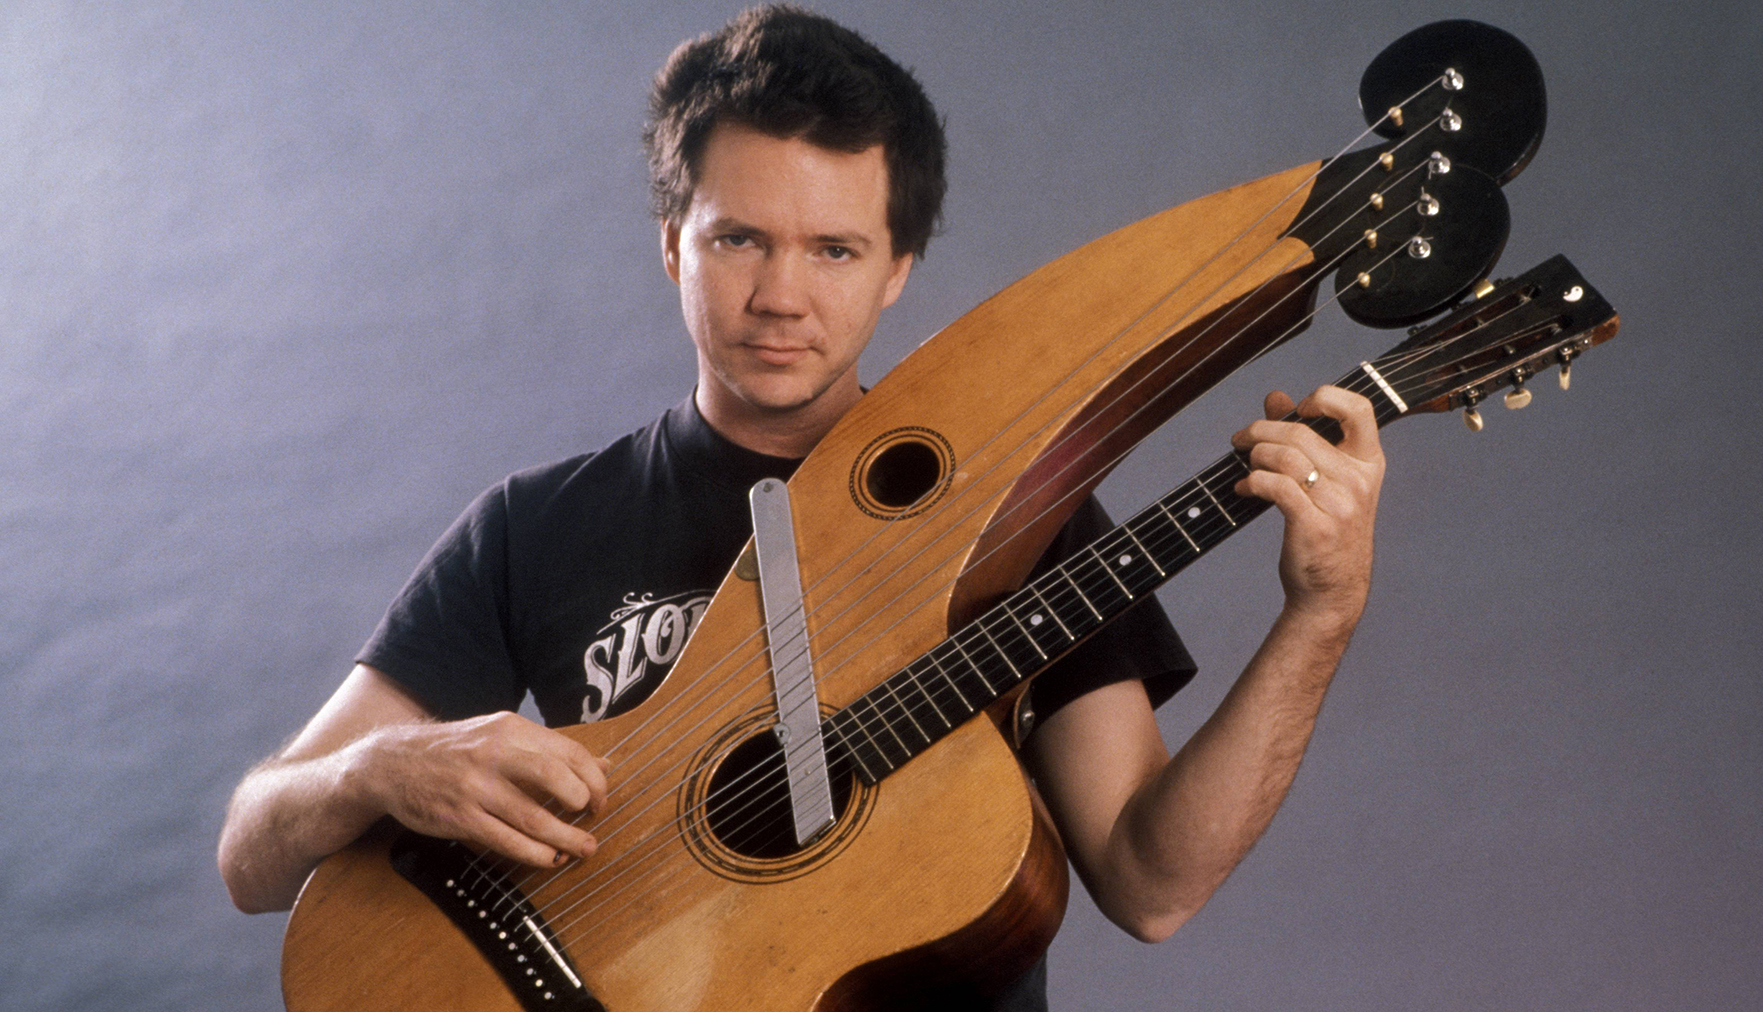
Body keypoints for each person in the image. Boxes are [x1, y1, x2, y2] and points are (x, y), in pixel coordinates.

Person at [217, 6, 1385, 1009]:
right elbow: (253, 853)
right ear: (673, 245)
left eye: (833, 249)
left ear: (897, 270)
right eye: (739, 239)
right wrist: (379, 772)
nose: (781, 296)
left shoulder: (1016, 515)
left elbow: (1150, 881)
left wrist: (1319, 613)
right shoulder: (532, 526)